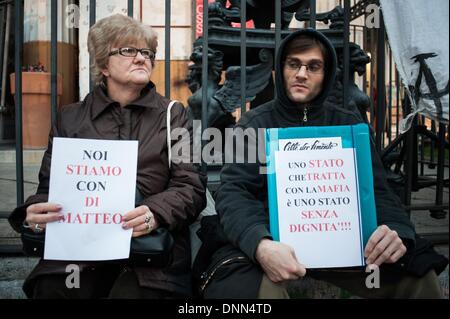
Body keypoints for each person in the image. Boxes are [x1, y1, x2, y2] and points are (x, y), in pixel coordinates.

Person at [197, 29, 447, 299]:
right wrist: (260, 244)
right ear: (280, 69)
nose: (301, 74)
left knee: (419, 276)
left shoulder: (349, 123)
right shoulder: (254, 123)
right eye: (293, 64)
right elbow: (234, 193)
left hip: (348, 246)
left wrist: (396, 231)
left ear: (326, 74)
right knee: (252, 291)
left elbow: (378, 192)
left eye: (313, 66)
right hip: (275, 246)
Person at [8, 14, 206, 299]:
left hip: (148, 248)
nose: (141, 58)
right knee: (58, 288)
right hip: (80, 249)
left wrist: (156, 213)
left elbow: (191, 186)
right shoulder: (71, 118)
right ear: (103, 65)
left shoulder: (173, 115)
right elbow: (49, 189)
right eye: (128, 50)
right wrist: (34, 213)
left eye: (147, 52)